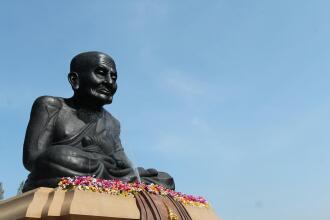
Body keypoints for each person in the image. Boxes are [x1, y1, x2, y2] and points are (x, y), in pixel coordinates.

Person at [22, 51, 175, 192]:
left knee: (164, 178)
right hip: (65, 167)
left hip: (105, 173)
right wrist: (104, 163)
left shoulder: (112, 122)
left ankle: (120, 181)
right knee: (58, 155)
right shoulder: (51, 106)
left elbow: (122, 164)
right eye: (101, 73)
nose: (109, 82)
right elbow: (33, 159)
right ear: (75, 79)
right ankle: (123, 182)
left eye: (114, 77)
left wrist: (118, 163)